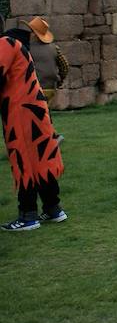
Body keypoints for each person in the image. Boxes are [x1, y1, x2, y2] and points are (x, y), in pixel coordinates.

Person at [0, 28, 67, 231]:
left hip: (20, 111)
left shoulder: (5, 44)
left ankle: (28, 215)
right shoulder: (17, 45)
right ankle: (53, 208)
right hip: (35, 108)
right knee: (41, 157)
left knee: (24, 159)